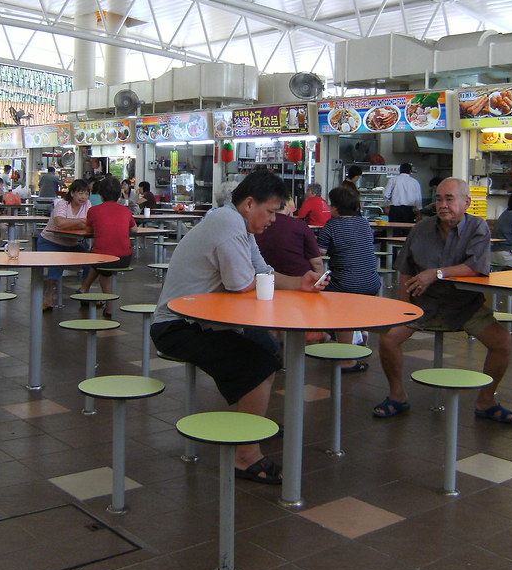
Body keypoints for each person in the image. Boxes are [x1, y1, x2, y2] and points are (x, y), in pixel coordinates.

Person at [150, 169, 327, 485]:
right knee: (259, 363)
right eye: (271, 212)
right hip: (176, 326)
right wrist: (277, 285)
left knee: (266, 347)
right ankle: (245, 457)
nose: (273, 219)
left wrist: (300, 283)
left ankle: (250, 424)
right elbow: (241, 284)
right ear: (249, 204)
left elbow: (263, 273)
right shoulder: (229, 227)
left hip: (204, 322)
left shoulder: (239, 226)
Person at [373, 177, 512, 423]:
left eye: (449, 199)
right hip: (423, 304)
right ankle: (397, 395)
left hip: (464, 306)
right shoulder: (421, 228)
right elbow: (406, 269)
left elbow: (476, 267)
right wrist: (404, 307)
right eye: (439, 199)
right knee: (388, 340)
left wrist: (437, 273)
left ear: (466, 202)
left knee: (502, 342)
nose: (442, 205)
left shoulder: (478, 227)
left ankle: (486, 400)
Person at [316, 186, 382, 371]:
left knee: (320, 296)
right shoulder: (363, 223)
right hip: (372, 282)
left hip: (346, 284)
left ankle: (347, 359)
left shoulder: (332, 226)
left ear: (336, 207)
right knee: (351, 297)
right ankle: (360, 333)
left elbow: (319, 253)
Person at [78, 177, 137, 317]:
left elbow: (88, 231)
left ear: (100, 194)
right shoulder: (125, 211)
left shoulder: (93, 211)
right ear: (119, 194)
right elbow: (135, 230)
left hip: (103, 258)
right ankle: (85, 289)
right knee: (103, 262)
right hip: (125, 257)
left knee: (101, 261)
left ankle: (108, 306)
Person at [36, 179, 93, 310]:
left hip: (71, 243)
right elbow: (60, 223)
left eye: (86, 194)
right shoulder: (62, 204)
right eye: (80, 193)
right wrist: (81, 221)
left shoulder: (87, 204)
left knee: (91, 262)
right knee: (57, 262)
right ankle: (49, 296)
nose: (83, 197)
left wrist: (77, 222)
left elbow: (90, 222)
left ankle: (84, 292)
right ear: (72, 193)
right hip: (50, 242)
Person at [255, 197, 324, 278]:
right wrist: (319, 280)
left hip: (266, 281)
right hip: (301, 280)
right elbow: (317, 262)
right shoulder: (300, 225)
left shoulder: (258, 226)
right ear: (286, 204)